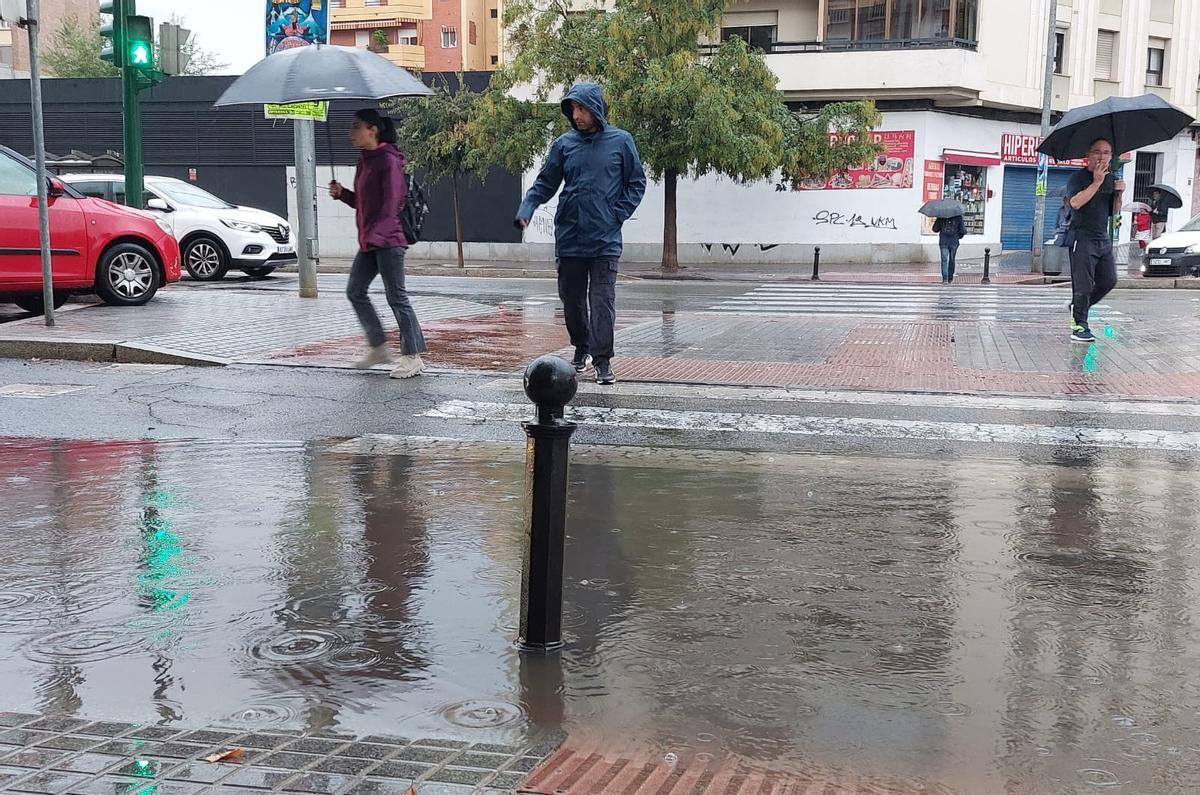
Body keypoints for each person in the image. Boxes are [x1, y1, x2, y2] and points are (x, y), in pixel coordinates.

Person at [514, 82, 646, 386]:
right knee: (571, 301)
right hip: (570, 237)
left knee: (602, 302)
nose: (576, 115)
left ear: (596, 108)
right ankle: (581, 346)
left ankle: (603, 361)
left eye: (582, 108)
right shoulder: (564, 144)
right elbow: (546, 182)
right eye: (573, 109)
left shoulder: (621, 141)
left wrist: (617, 214)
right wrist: (527, 207)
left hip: (604, 240)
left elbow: (636, 183)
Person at [329, 109, 427, 378]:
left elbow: (393, 203)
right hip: (371, 241)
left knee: (397, 296)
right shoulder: (365, 161)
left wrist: (377, 234)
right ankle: (378, 346)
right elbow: (364, 203)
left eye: (356, 126)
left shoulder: (388, 160)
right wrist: (343, 194)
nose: (351, 132)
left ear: (372, 130)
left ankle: (412, 356)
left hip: (389, 239)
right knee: (355, 291)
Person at [1063, 138, 1125, 344]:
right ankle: (1079, 326)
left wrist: (1119, 194)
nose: (1102, 156)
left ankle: (1078, 308)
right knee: (1084, 285)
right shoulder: (1077, 178)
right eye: (1097, 152)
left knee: (1109, 280)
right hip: (1081, 237)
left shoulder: (1111, 179)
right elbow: (1075, 203)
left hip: (1102, 238)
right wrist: (1096, 182)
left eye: (1106, 153)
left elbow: (1113, 211)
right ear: (1088, 155)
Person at [931, 213, 966, 283]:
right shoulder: (958, 217)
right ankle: (950, 277)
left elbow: (935, 229)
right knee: (952, 260)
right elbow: (963, 231)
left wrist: (939, 222)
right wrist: (957, 237)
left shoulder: (941, 216)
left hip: (944, 241)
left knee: (944, 260)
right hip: (954, 241)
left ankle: (945, 278)